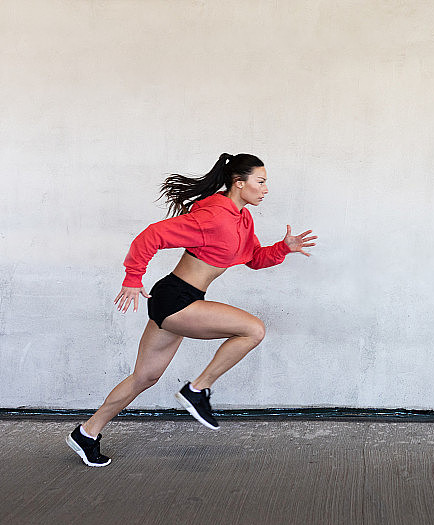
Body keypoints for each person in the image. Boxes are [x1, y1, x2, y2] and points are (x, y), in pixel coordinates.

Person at [66, 153, 316, 467]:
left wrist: (284, 247)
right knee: (253, 330)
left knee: (144, 377)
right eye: (261, 181)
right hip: (177, 300)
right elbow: (152, 235)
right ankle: (197, 390)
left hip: (179, 299)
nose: (266, 189)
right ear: (239, 183)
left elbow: (253, 258)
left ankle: (87, 433)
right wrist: (132, 278)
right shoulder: (214, 216)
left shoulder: (242, 218)